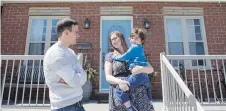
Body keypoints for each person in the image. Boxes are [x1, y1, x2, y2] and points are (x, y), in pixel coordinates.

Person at [105, 31, 155, 111]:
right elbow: (108, 77)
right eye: (111, 40)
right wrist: (119, 82)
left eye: (115, 38)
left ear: (121, 38)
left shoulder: (134, 51)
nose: (113, 41)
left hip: (139, 92)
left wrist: (141, 69)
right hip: (121, 91)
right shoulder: (110, 56)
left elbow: (151, 69)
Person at [43, 18, 87, 111]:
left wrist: (73, 77)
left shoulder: (70, 52)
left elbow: (83, 75)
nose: (78, 35)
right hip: (64, 106)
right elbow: (75, 81)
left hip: (77, 104)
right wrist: (76, 76)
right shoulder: (56, 54)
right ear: (66, 32)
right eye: (76, 32)